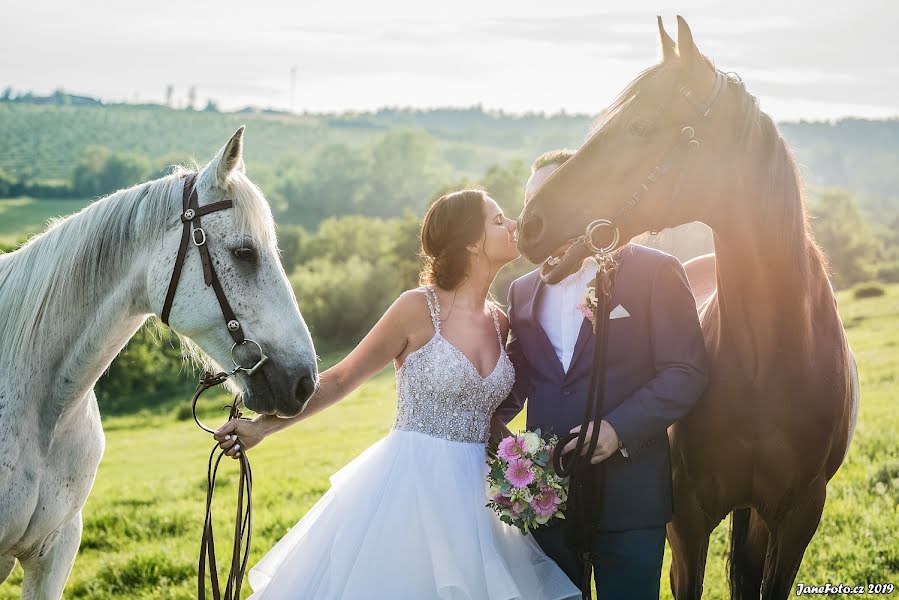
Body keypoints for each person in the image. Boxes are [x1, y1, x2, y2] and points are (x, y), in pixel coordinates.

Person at [213, 188, 580, 599]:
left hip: (480, 499)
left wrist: (521, 462)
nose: (513, 225)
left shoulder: (501, 321)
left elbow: (491, 412)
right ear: (472, 243)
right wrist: (263, 427)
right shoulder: (415, 308)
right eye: (499, 220)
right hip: (411, 487)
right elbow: (341, 379)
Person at [495, 150, 709, 599]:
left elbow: (685, 371)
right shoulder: (523, 290)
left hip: (630, 501)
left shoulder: (654, 271)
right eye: (532, 198)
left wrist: (617, 429)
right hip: (546, 501)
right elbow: (518, 381)